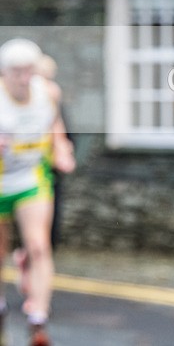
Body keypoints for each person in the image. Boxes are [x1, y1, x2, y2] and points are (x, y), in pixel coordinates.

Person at [0, 39, 76, 346]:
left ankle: (38, 322)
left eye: (28, 70)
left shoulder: (48, 93)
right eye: (16, 71)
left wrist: (61, 148)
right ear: (4, 72)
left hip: (31, 177)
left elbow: (54, 123)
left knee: (39, 245)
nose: (23, 78)